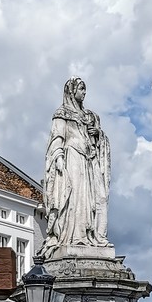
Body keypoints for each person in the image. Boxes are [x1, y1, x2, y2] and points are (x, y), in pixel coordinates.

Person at [39, 77, 111, 259]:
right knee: (76, 197)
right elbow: (57, 138)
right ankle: (76, 236)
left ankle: (95, 236)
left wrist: (98, 134)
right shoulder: (62, 114)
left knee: (98, 197)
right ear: (71, 91)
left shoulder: (90, 116)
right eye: (81, 89)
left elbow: (99, 140)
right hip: (73, 158)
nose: (84, 92)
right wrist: (58, 158)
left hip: (90, 160)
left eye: (85, 89)